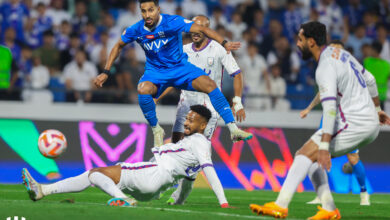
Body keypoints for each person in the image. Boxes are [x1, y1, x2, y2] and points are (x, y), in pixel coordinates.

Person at [249, 21, 390, 220]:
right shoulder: (342, 54)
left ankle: (280, 205)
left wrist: (324, 145)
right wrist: (377, 109)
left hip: (355, 122)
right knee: (311, 160)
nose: (297, 44)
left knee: (304, 154)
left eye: (300, 39)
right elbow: (371, 80)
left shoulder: (324, 67)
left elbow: (330, 108)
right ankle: (329, 208)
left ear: (312, 41)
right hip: (366, 121)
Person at [93, 0, 252, 147]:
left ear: (158, 10)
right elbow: (117, 46)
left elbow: (201, 28)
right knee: (142, 89)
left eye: (151, 10)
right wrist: (106, 72)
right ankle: (157, 130)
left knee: (210, 84)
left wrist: (224, 43)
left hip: (180, 69)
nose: (147, 14)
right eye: (144, 11)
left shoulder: (172, 22)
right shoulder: (135, 29)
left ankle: (233, 129)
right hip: (156, 72)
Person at [22, 105, 233, 208]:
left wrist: (223, 202)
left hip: (153, 174)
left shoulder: (199, 142)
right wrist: (178, 202)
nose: (186, 123)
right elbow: (188, 181)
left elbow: (209, 170)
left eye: (192, 120)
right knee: (92, 175)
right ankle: (44, 190)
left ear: (204, 125)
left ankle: (123, 199)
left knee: (95, 173)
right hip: (154, 189)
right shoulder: (193, 145)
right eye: (187, 119)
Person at [154, 15, 246, 205]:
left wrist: (237, 102)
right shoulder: (183, 50)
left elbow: (236, 74)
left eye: (200, 29)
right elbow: (172, 79)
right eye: (193, 28)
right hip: (185, 105)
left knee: (195, 155)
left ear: (207, 30)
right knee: (177, 149)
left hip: (208, 108)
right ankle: (171, 190)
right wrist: (157, 97)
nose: (195, 32)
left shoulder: (219, 49)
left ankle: (178, 196)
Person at [301, 40, 372, 206]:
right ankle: (321, 195)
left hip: (347, 118)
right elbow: (322, 92)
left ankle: (363, 193)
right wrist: (309, 108)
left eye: (339, 50)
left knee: (353, 157)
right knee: (317, 153)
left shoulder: (352, 70)